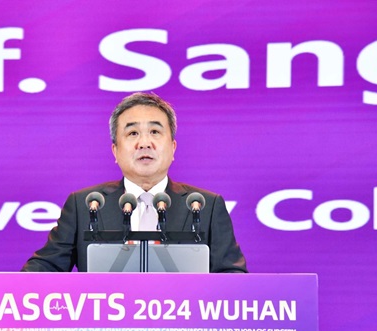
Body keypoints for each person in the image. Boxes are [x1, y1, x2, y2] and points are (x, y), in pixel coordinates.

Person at [21, 92, 247, 273]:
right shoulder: (84, 205)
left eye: (155, 131)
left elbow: (233, 278)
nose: (144, 143)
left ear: (173, 148)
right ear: (115, 151)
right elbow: (44, 268)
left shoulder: (206, 206)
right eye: (132, 134)